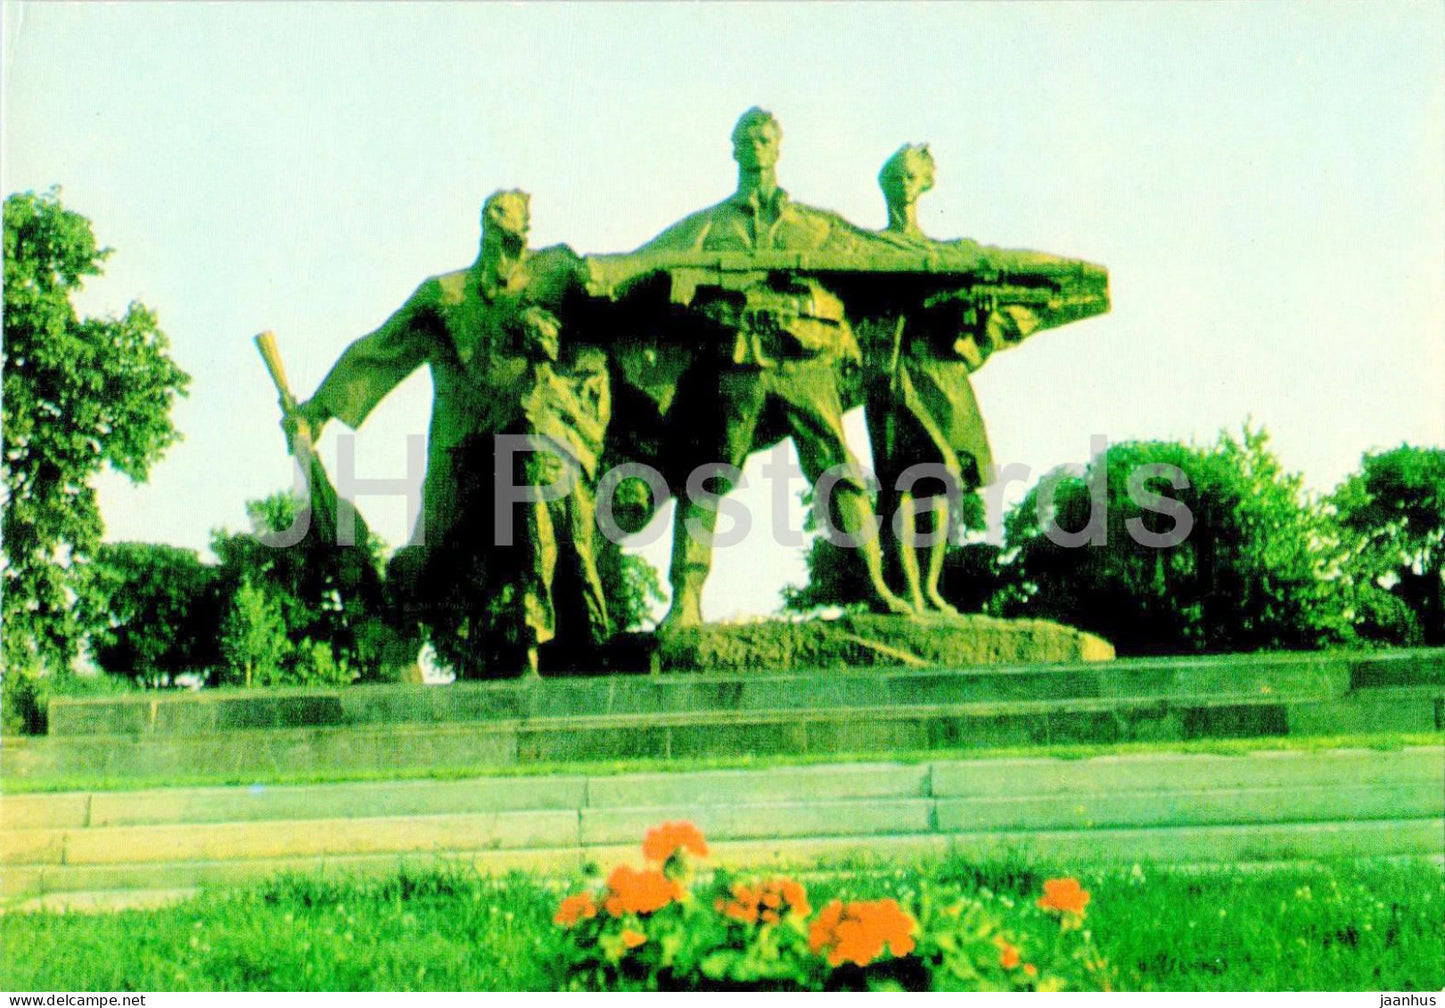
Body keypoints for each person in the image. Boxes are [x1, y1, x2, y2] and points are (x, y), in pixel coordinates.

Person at [289, 189, 608, 676]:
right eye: (490, 212)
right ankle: (397, 654)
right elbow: (381, 350)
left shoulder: (557, 273)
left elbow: (615, 303)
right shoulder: (447, 295)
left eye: (508, 212)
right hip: (460, 452)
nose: (496, 219)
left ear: (527, 225)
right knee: (429, 563)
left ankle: (540, 638)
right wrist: (318, 411)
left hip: (535, 441)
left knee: (541, 518)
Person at [636, 108, 914, 630]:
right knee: (707, 476)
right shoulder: (709, 226)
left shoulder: (815, 224)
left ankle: (876, 588)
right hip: (739, 362)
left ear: (778, 147)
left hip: (805, 362)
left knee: (838, 470)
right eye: (749, 139)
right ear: (735, 148)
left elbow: (878, 252)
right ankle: (686, 601)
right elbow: (644, 260)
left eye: (766, 139)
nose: (758, 147)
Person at [864, 144, 1041, 614]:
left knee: (942, 483)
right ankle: (908, 591)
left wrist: (978, 318)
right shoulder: (869, 248)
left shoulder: (950, 253)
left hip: (943, 374)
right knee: (899, 485)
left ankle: (932, 587)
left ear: (925, 184)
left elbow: (979, 335)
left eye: (910, 177)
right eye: (895, 177)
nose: (903, 186)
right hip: (895, 373)